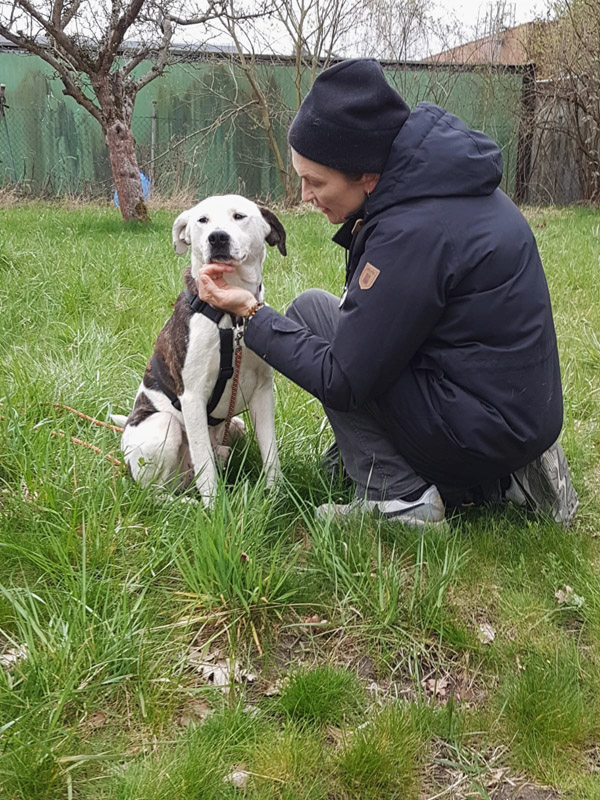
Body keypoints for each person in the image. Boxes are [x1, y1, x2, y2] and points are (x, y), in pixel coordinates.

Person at [197, 58, 579, 529]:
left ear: (367, 175)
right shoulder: (441, 184)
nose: (305, 196)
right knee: (316, 310)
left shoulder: (414, 230)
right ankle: (498, 481)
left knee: (311, 323)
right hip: (511, 411)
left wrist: (252, 313)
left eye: (315, 181)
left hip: (484, 430)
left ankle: (400, 496)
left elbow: (343, 378)